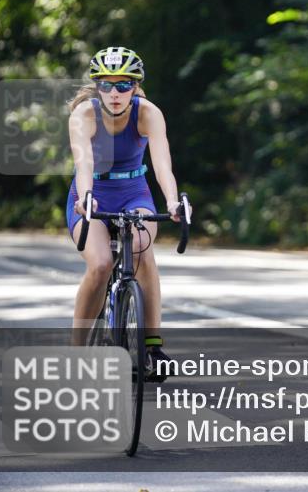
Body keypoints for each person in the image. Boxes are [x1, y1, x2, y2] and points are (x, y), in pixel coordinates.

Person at [66, 46, 187, 380]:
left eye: (123, 85)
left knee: (142, 249)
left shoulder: (148, 113)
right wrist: (87, 197)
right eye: (106, 84)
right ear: (96, 86)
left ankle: (152, 346)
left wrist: (173, 202)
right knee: (102, 263)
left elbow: (162, 165)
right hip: (92, 194)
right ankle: (76, 353)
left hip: (134, 191)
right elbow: (84, 163)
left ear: (135, 86)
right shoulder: (83, 115)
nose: (115, 93)